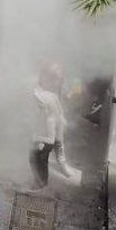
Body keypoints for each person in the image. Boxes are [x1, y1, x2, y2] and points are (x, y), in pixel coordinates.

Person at [30, 61, 81, 189]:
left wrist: (63, 115)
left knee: (59, 141)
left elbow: (73, 93)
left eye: (58, 78)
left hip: (56, 115)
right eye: (53, 77)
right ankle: (44, 175)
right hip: (46, 121)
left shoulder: (61, 86)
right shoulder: (38, 88)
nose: (56, 81)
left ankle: (62, 164)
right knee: (46, 144)